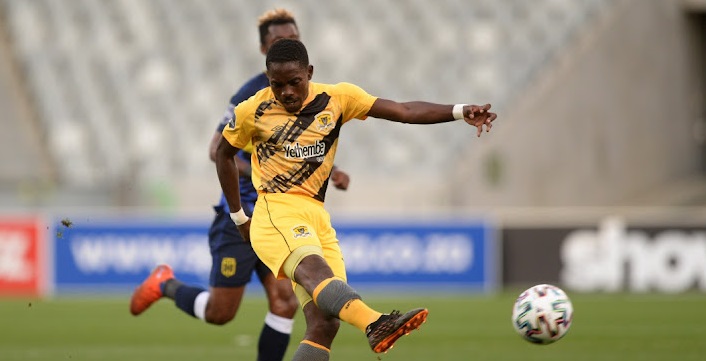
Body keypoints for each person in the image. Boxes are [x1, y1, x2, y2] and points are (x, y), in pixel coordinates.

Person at [215, 38, 495, 360]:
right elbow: (223, 155)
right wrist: (239, 217)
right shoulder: (253, 110)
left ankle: (372, 324)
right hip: (275, 211)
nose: (287, 92)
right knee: (315, 271)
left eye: (295, 83)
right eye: (278, 85)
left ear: (309, 72)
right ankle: (376, 323)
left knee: (325, 323)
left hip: (316, 215)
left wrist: (459, 112)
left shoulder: (337, 98)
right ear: (268, 80)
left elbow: (403, 111)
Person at [128, 9, 350, 361]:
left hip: (280, 217)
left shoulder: (305, 94)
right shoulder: (250, 95)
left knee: (285, 301)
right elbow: (217, 150)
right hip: (244, 215)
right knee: (221, 312)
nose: (287, 43)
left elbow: (292, 146)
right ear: (264, 49)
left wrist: (330, 168)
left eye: (293, 36)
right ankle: (164, 284)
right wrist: (263, 173)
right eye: (278, 40)